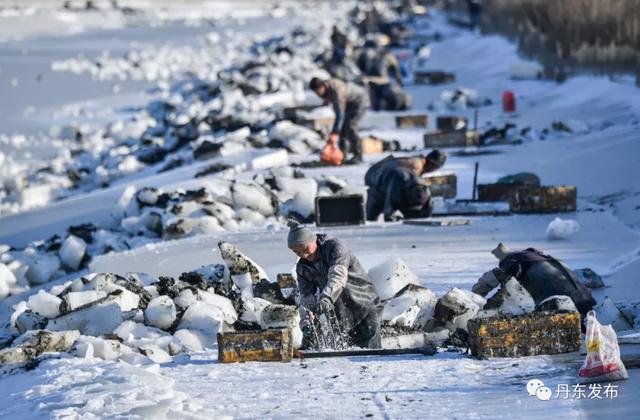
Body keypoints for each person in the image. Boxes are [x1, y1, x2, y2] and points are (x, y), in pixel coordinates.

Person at [287, 220, 382, 349]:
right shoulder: (302, 268)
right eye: (297, 253)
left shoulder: (334, 247)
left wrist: (326, 297)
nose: (304, 255)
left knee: (369, 356)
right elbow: (306, 299)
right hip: (340, 316)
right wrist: (307, 325)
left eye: (305, 248)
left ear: (312, 240)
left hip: (364, 304)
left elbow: (337, 276)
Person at [472, 243, 596, 319]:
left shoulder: (513, 261)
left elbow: (496, 282)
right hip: (587, 300)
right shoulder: (540, 256)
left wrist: (475, 300)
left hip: (564, 304)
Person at [364, 150, 447, 221]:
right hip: (376, 176)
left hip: (380, 177)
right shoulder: (417, 165)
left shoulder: (416, 163)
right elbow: (407, 184)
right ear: (434, 166)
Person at [309, 77, 370, 164]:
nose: (317, 94)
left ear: (322, 86)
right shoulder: (326, 88)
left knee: (351, 127)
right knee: (343, 130)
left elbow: (339, 115)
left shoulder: (337, 91)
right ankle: (342, 155)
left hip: (360, 102)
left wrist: (334, 133)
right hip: (349, 102)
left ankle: (358, 156)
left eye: (318, 91)